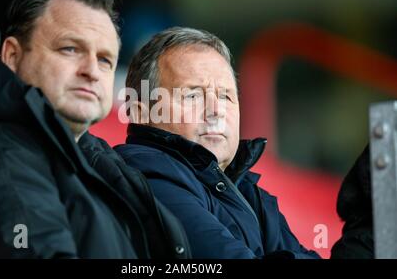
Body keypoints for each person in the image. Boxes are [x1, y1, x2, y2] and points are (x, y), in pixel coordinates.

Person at [0, 0, 190, 259]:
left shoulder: (95, 157)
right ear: (13, 56)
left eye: (105, 59)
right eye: (70, 49)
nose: (92, 71)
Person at [115, 26, 320, 259]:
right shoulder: (148, 179)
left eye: (225, 96)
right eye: (192, 95)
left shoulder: (247, 193)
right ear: (142, 114)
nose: (216, 111)